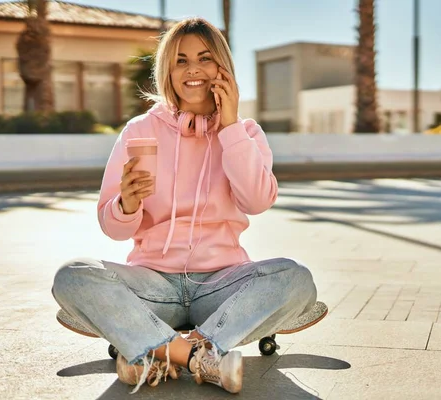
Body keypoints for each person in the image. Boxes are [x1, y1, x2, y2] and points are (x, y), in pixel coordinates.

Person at [52, 17, 317, 395]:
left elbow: (257, 201)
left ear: (222, 67)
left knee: (296, 279)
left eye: (205, 58)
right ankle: (198, 356)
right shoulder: (139, 130)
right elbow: (113, 228)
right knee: (72, 275)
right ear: (167, 70)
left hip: (222, 284)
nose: (193, 69)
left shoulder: (247, 133)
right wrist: (126, 203)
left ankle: (150, 349)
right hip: (151, 284)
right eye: (180, 60)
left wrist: (228, 128)